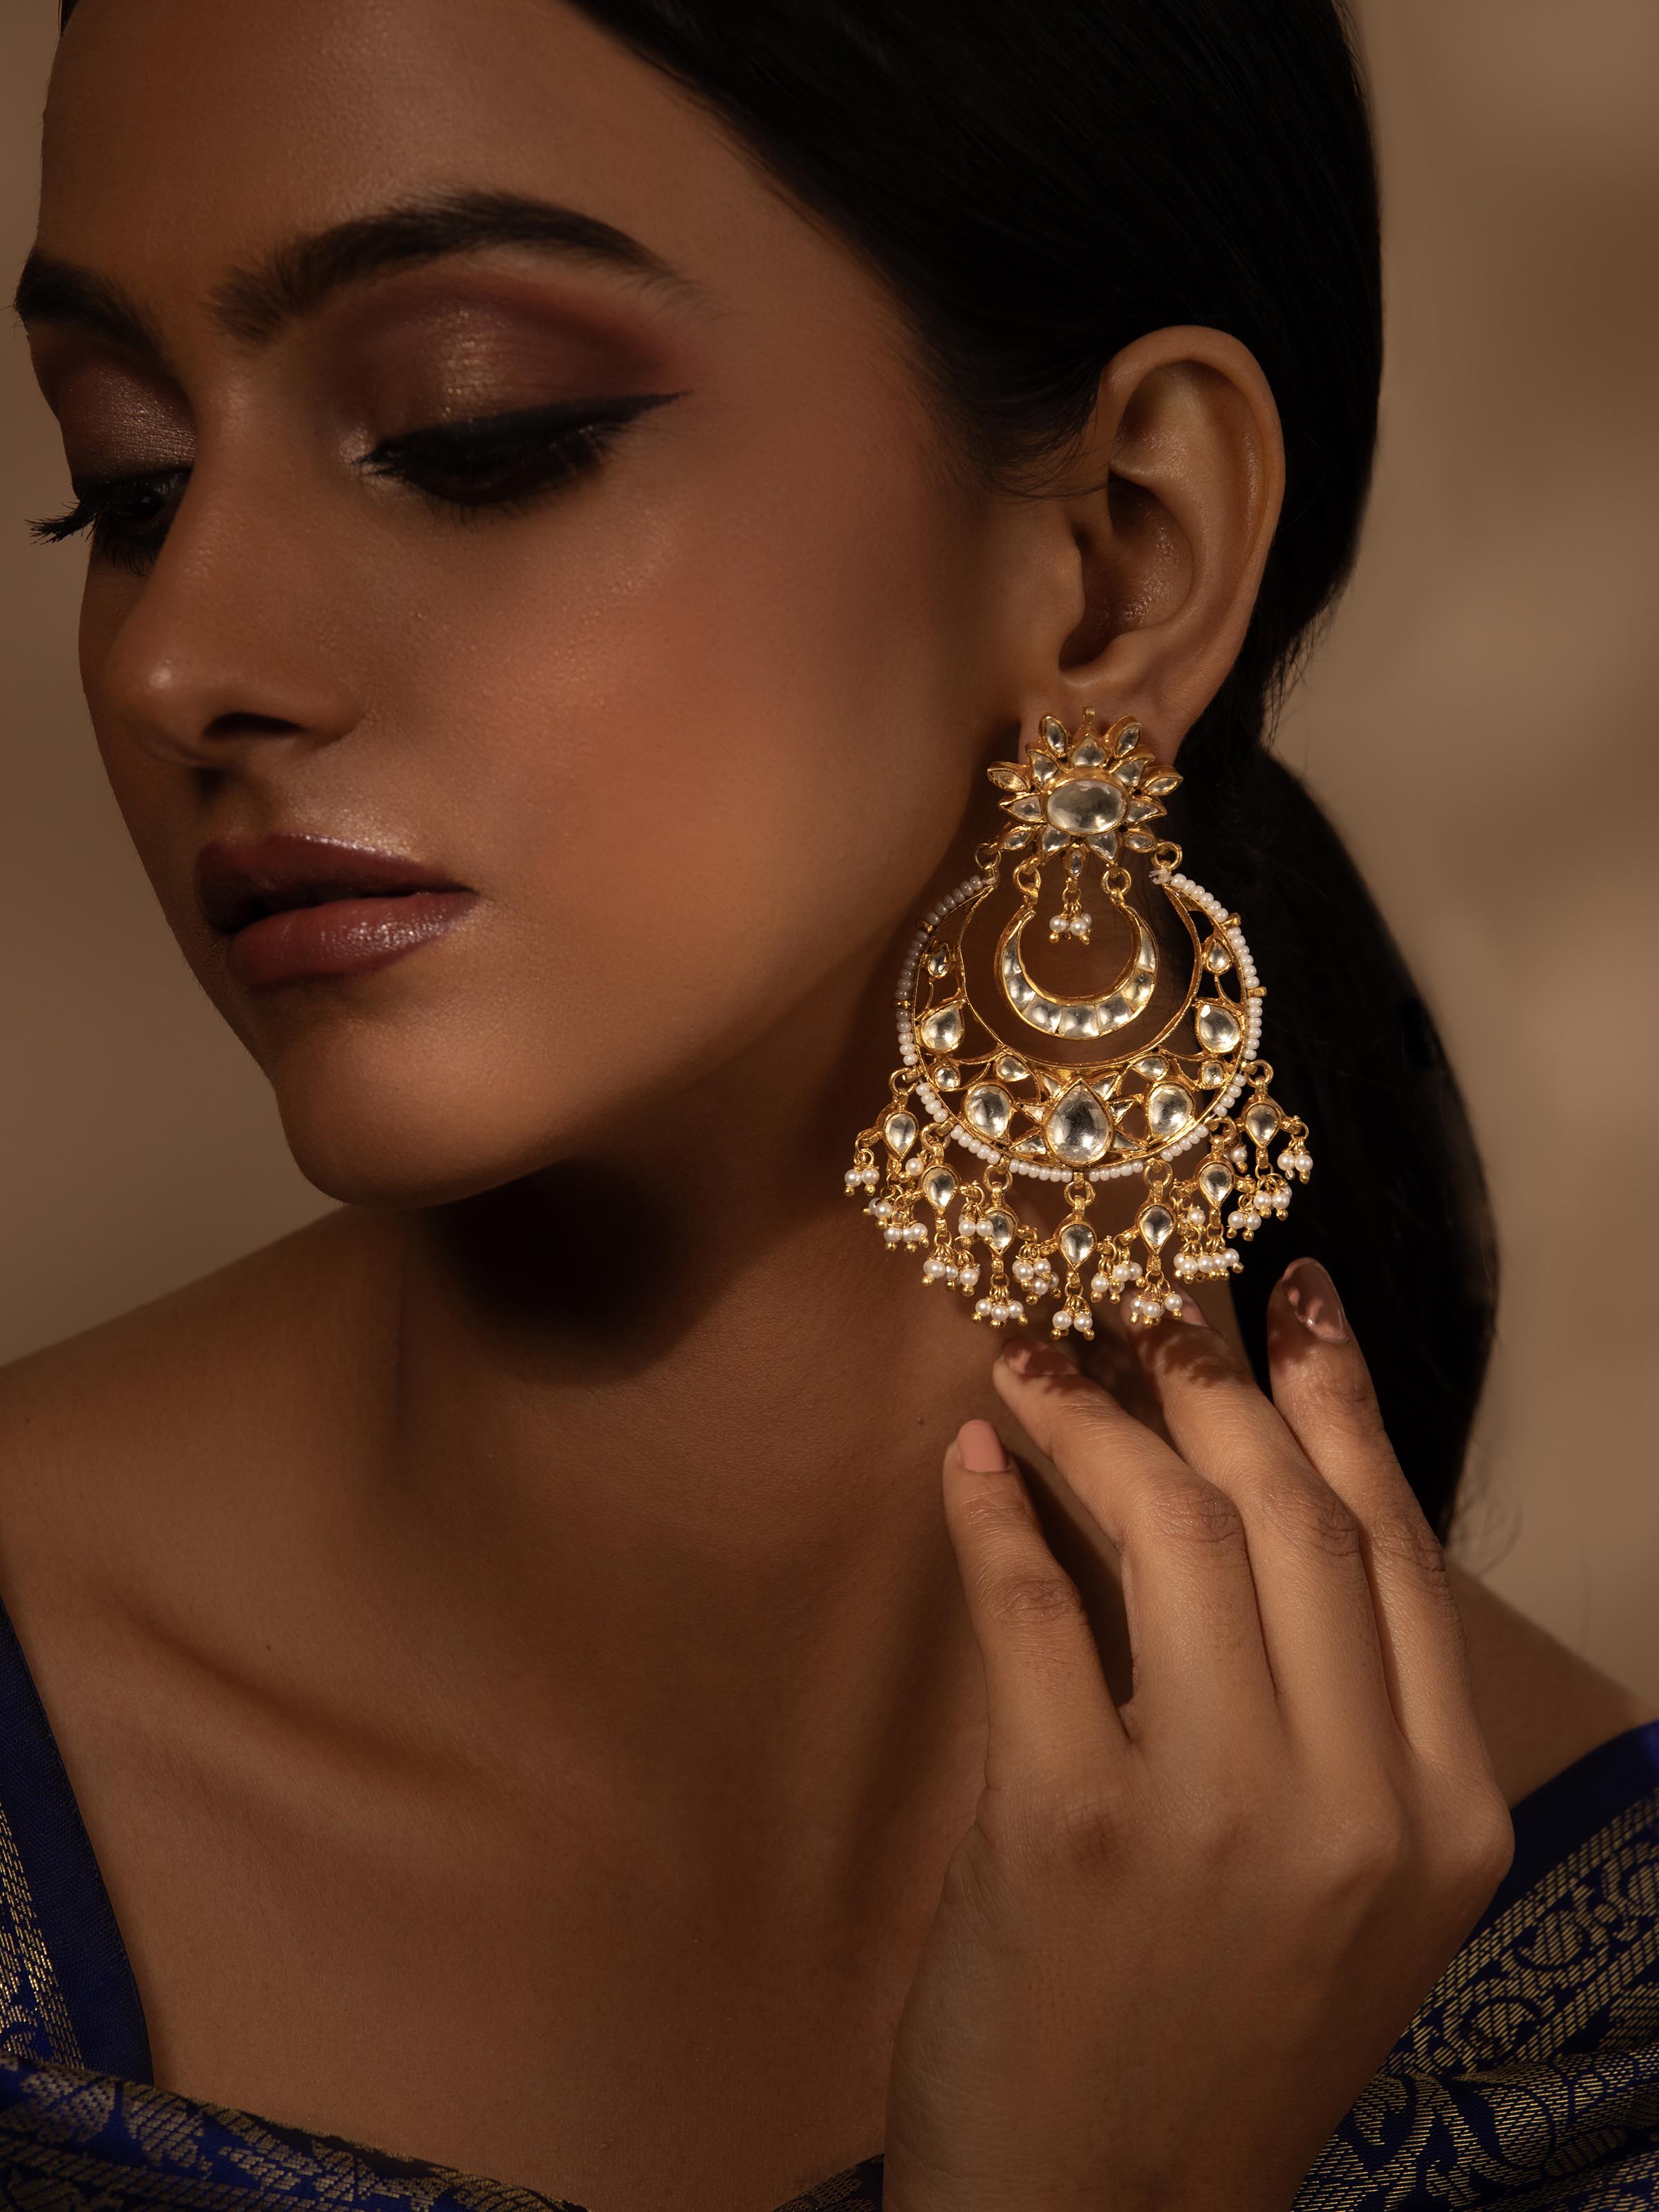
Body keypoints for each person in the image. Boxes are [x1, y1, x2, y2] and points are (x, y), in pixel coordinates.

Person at [3, 1, 1656, 2206]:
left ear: (1124, 552)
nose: (173, 658)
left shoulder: (1585, 2032)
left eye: (473, 435)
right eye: (126, 479)